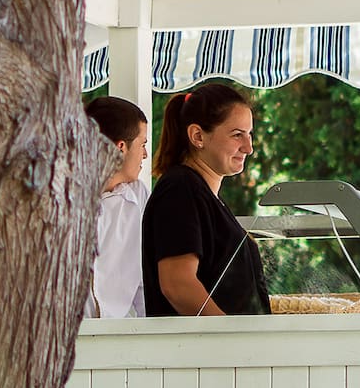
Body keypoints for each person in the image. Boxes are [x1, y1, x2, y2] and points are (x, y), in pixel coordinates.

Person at [141, 82, 269, 317]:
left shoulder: (202, 193)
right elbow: (177, 284)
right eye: (237, 135)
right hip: (204, 351)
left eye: (249, 134)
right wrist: (229, 339)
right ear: (197, 136)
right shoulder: (180, 189)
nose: (248, 147)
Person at [85, 96, 150, 318]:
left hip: (120, 336)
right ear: (120, 148)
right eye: (143, 144)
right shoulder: (60, 197)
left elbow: (145, 278)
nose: (145, 155)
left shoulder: (139, 196)